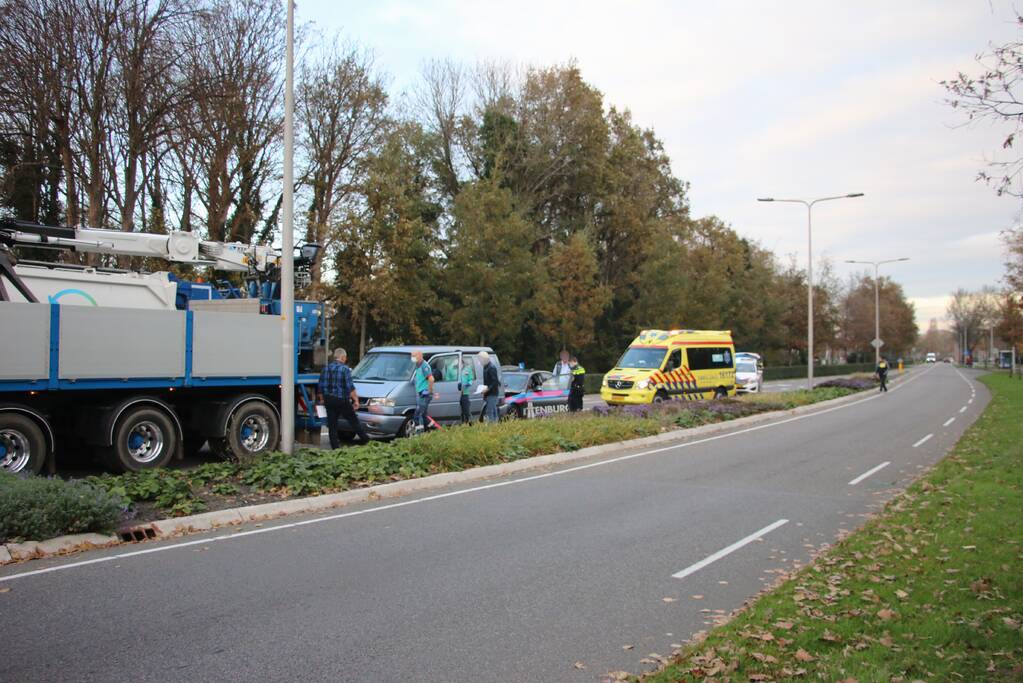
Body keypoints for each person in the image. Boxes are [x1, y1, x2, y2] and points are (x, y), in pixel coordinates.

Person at [317, 348, 369, 448]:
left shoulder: (326, 368)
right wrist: (356, 400)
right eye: (345, 358)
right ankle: (366, 441)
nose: (345, 359)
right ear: (343, 357)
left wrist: (322, 399)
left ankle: (335, 448)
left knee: (332, 425)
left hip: (329, 400)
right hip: (341, 400)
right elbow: (350, 387)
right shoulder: (345, 369)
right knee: (354, 421)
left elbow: (320, 386)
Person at [410, 350, 438, 434]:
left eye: (414, 356)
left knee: (418, 415)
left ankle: (419, 434)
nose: (412, 358)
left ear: (420, 356)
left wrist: (429, 391)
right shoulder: (418, 366)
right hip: (421, 393)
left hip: (424, 394)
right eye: (412, 356)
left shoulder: (424, 366)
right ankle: (434, 428)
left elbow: (431, 379)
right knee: (424, 415)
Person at [480, 351, 501, 422]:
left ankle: (491, 427)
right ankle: (495, 426)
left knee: (490, 411)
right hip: (488, 393)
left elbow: (494, 381)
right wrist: (484, 391)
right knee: (493, 410)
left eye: (480, 359)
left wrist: (487, 389)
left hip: (492, 393)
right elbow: (486, 381)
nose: (479, 361)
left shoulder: (491, 367)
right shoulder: (485, 367)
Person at [458, 359, 475, 424]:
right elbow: (448, 378)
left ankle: (469, 423)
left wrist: (469, 383)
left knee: (466, 410)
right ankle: (461, 423)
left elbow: (471, 379)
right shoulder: (451, 368)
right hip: (455, 393)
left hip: (465, 393)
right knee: (458, 411)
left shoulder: (468, 368)